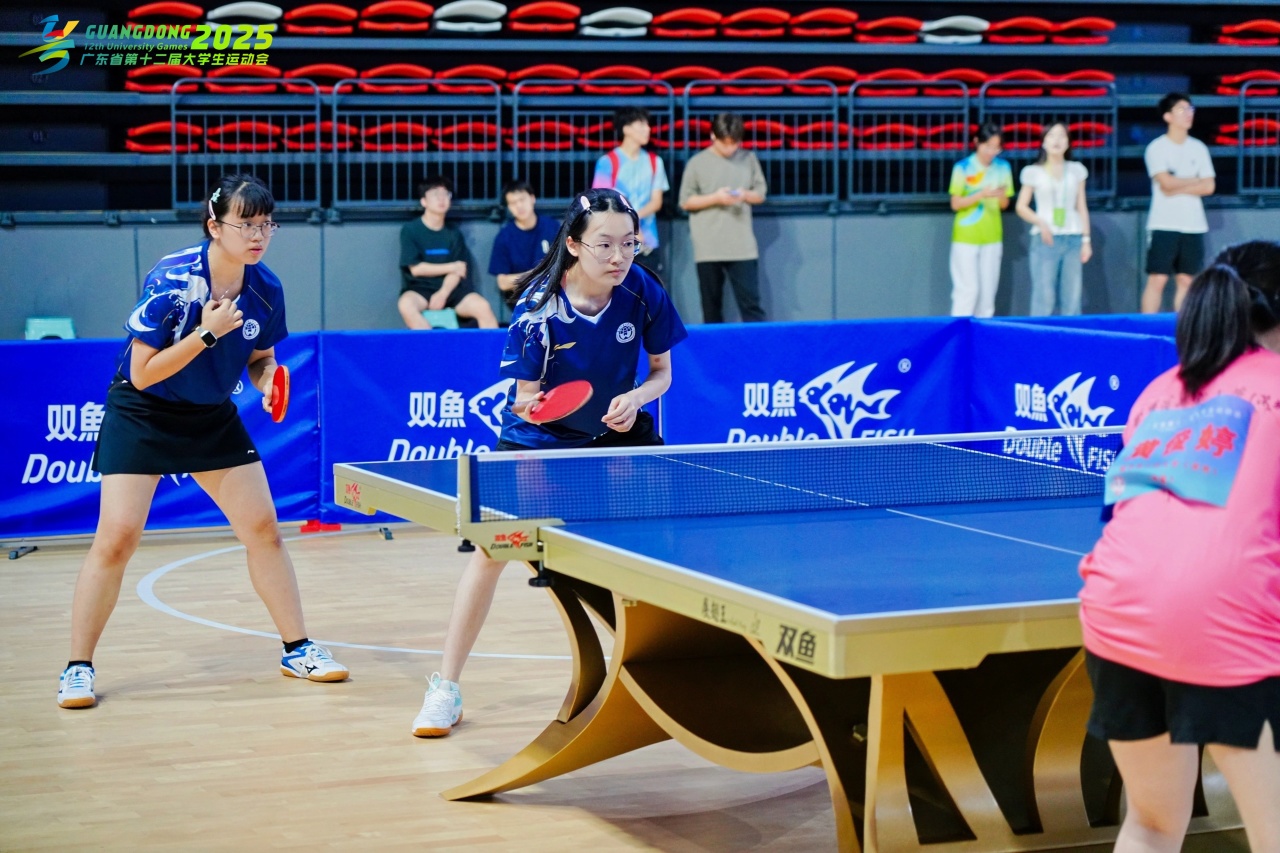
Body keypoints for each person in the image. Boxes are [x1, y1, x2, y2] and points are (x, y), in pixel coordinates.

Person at [57, 174, 349, 710]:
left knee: (263, 529)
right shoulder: (171, 280)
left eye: (267, 225)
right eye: (246, 224)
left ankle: (297, 648)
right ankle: (78, 668)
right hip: (143, 411)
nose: (258, 235)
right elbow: (142, 373)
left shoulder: (265, 289)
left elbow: (259, 358)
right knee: (117, 538)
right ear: (215, 226)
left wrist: (268, 381)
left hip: (209, 414)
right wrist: (207, 333)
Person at [411, 188, 687, 737]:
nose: (619, 256)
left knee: (662, 535)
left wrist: (635, 399)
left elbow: (662, 374)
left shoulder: (643, 290)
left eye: (628, 243)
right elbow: (523, 399)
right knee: (491, 551)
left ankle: (668, 665)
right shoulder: (539, 307)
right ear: (575, 244)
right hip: (541, 438)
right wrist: (537, 408)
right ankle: (446, 688)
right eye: (605, 244)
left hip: (615, 431)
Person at [1079, 240, 1280, 853]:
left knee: (1153, 823)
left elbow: (1124, 510)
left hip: (1117, 617)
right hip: (1225, 622)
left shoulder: (1161, 390)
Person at [678, 112, 768, 323]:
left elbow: (760, 194)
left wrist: (744, 195)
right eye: (724, 143)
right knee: (711, 309)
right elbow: (685, 201)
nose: (730, 149)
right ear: (713, 136)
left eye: (734, 143)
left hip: (742, 246)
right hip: (708, 247)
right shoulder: (697, 163)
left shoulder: (749, 158)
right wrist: (716, 198)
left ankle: (759, 344)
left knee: (752, 306)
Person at [1141, 93, 1216, 314]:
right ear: (1168, 116)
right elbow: (1165, 183)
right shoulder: (1157, 148)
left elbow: (1209, 186)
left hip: (1193, 224)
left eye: (1190, 109)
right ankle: (1146, 328)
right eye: (1182, 109)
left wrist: (1178, 183)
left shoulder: (1198, 148)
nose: (1188, 114)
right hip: (1164, 223)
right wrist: (1195, 180)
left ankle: (1183, 327)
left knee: (1186, 280)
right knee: (1158, 278)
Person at [398, 175, 498, 330]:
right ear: (424, 201)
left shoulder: (454, 233)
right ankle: (431, 344)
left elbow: (459, 271)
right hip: (420, 289)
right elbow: (416, 269)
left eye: (446, 194)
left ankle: (494, 347)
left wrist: (443, 294)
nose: (442, 199)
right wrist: (451, 267)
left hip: (451, 291)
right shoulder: (410, 230)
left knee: (482, 306)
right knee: (406, 305)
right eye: (435, 194)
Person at [1015, 122, 1092, 316]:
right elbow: (1021, 206)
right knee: (1044, 296)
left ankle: (1071, 335)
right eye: (1051, 136)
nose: (1056, 141)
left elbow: (1081, 206)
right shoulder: (1033, 172)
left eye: (1061, 136)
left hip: (1073, 237)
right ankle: (1040, 334)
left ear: (1068, 142)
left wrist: (1086, 240)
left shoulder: (1076, 170)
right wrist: (1041, 222)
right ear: (1043, 142)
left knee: (1072, 297)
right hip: (1045, 239)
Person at [592, 106, 670, 279]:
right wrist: (630, 227)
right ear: (626, 128)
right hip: (615, 245)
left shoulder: (655, 162)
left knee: (649, 291)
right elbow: (603, 204)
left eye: (648, 125)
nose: (648, 129)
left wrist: (633, 221)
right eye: (641, 124)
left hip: (647, 243)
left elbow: (656, 202)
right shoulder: (607, 162)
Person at [948, 122, 1014, 318]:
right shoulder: (962, 167)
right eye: (988, 146)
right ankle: (960, 331)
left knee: (987, 294)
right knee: (967, 290)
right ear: (977, 142)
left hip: (992, 236)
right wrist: (980, 194)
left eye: (996, 148)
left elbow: (1004, 204)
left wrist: (1000, 195)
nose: (991, 152)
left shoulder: (1003, 167)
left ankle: (983, 332)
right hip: (966, 237)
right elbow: (955, 203)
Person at [488, 179, 560, 299]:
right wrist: (536, 275)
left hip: (554, 293)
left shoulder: (552, 227)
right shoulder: (504, 236)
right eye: (513, 203)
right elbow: (503, 282)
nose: (519, 206)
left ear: (532, 198)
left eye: (522, 200)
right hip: (522, 298)